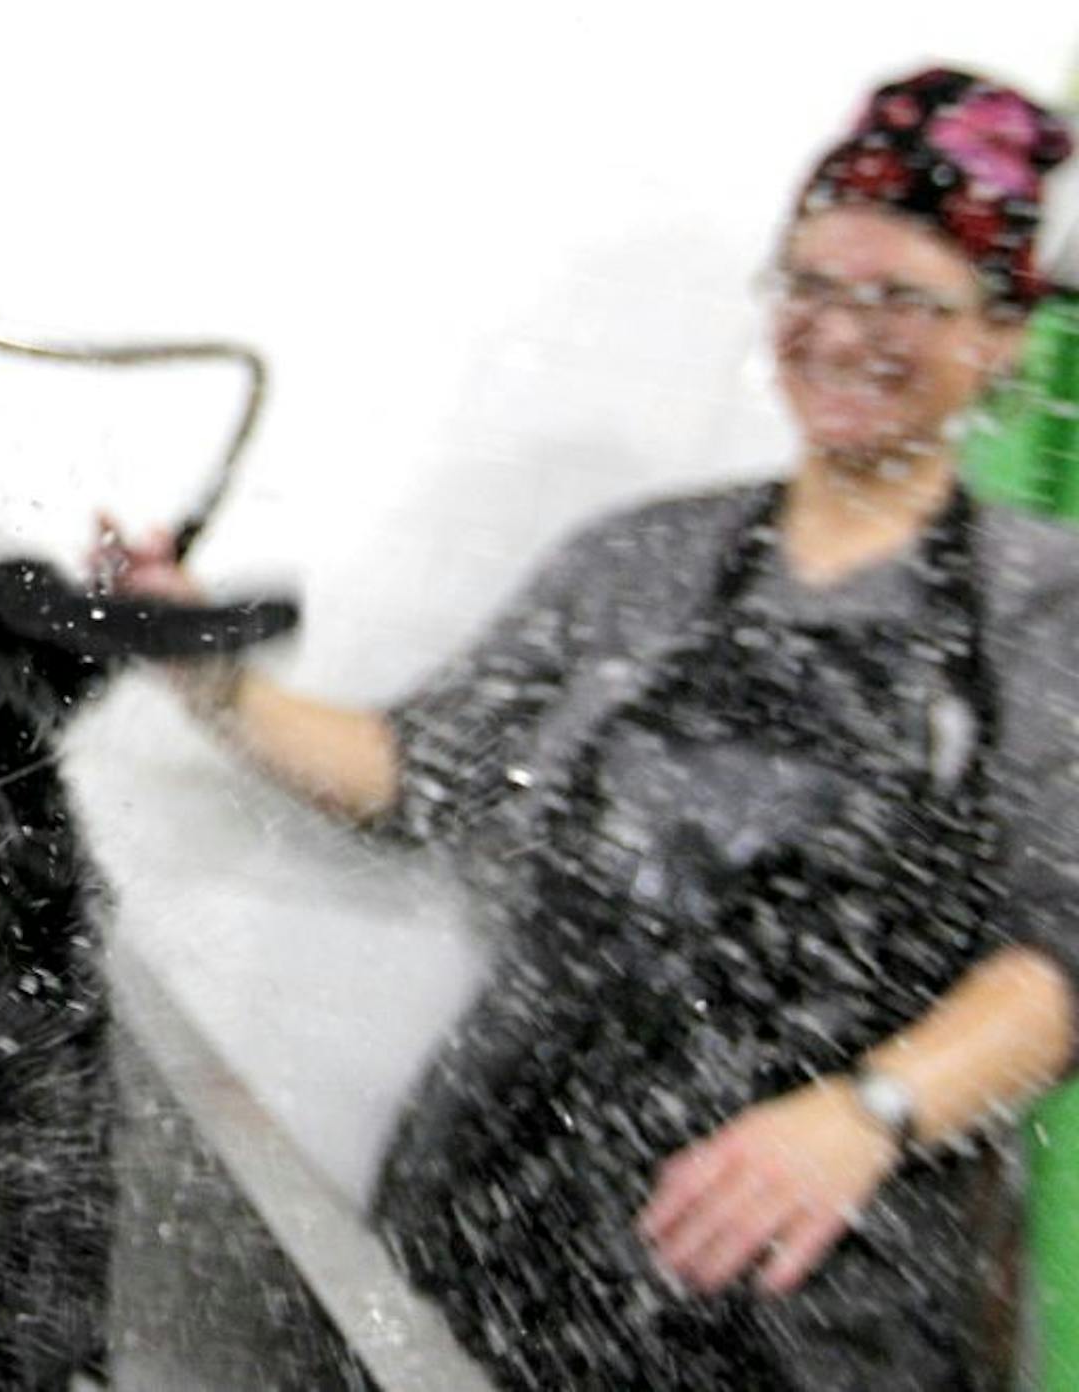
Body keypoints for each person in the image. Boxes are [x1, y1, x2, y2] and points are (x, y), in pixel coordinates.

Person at [94, 68, 1079, 1389]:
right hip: (497, 1224)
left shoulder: (1042, 604)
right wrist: (208, 675)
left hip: (809, 1286)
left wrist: (864, 1117)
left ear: (1006, 331)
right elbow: (420, 779)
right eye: (812, 284)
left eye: (901, 295)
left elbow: (1058, 962)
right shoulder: (640, 562)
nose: (844, 330)